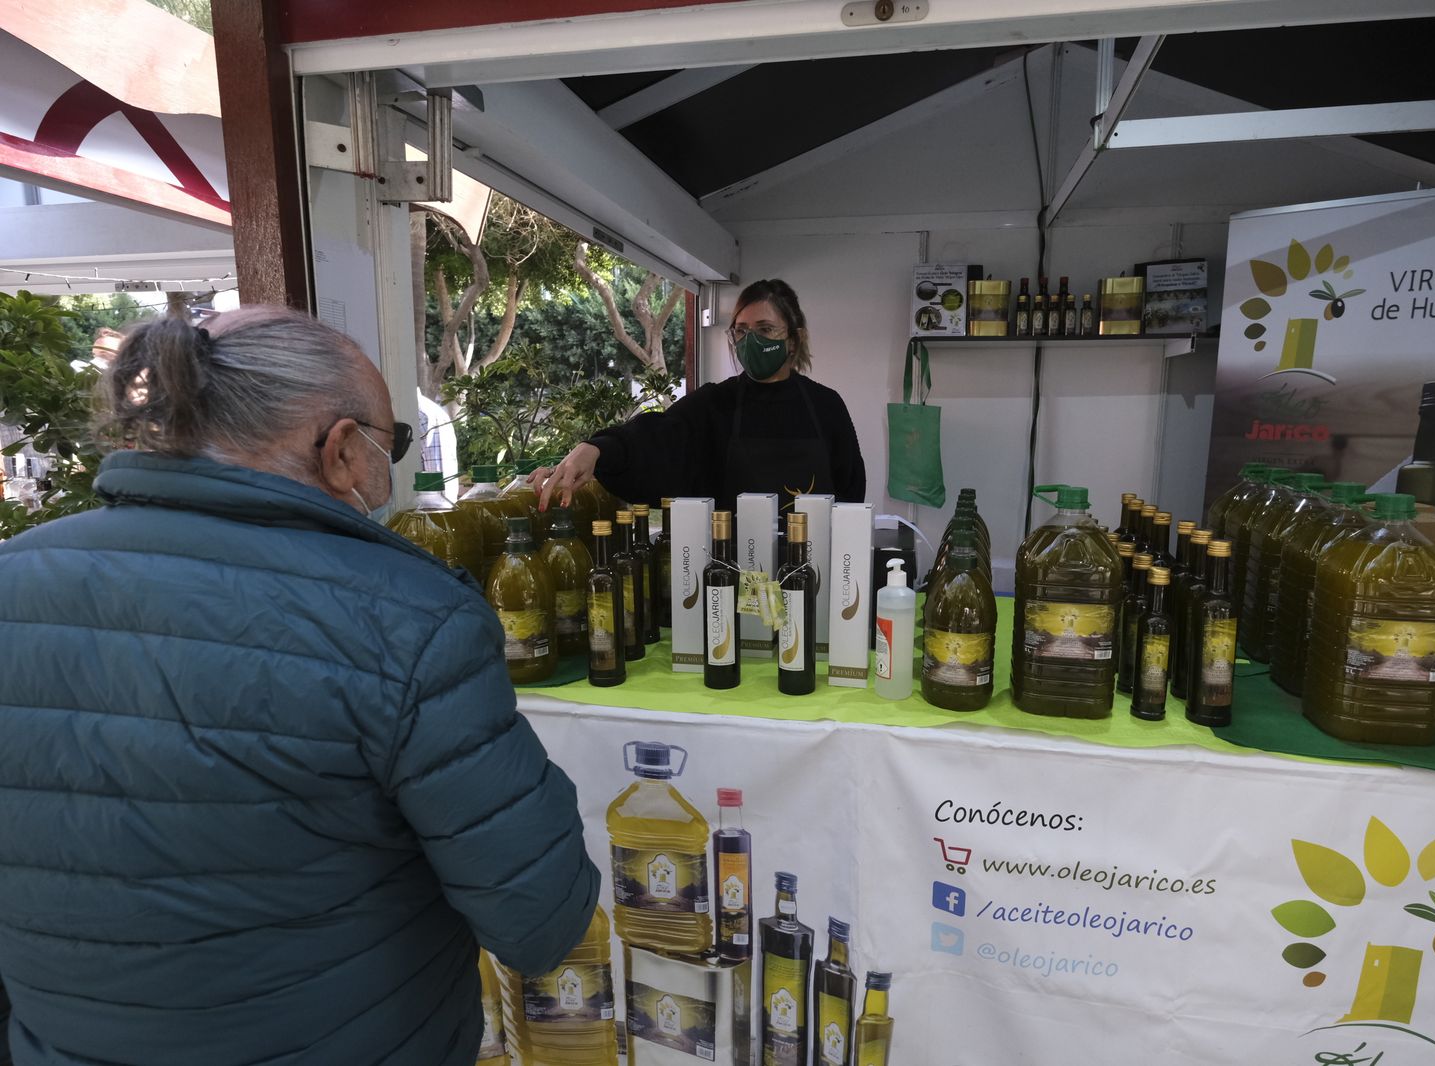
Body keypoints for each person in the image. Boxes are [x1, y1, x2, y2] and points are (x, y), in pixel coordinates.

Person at [0, 307, 599, 1065]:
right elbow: (540, 919)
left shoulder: (12, 576)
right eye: (395, 441)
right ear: (343, 448)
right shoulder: (408, 619)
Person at [535, 278, 867, 511]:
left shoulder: (826, 406)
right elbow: (653, 439)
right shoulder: (714, 404)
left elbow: (850, 496)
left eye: (765, 329)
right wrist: (596, 450)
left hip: (814, 575)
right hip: (734, 578)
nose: (750, 341)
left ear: (794, 339)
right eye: (742, 330)